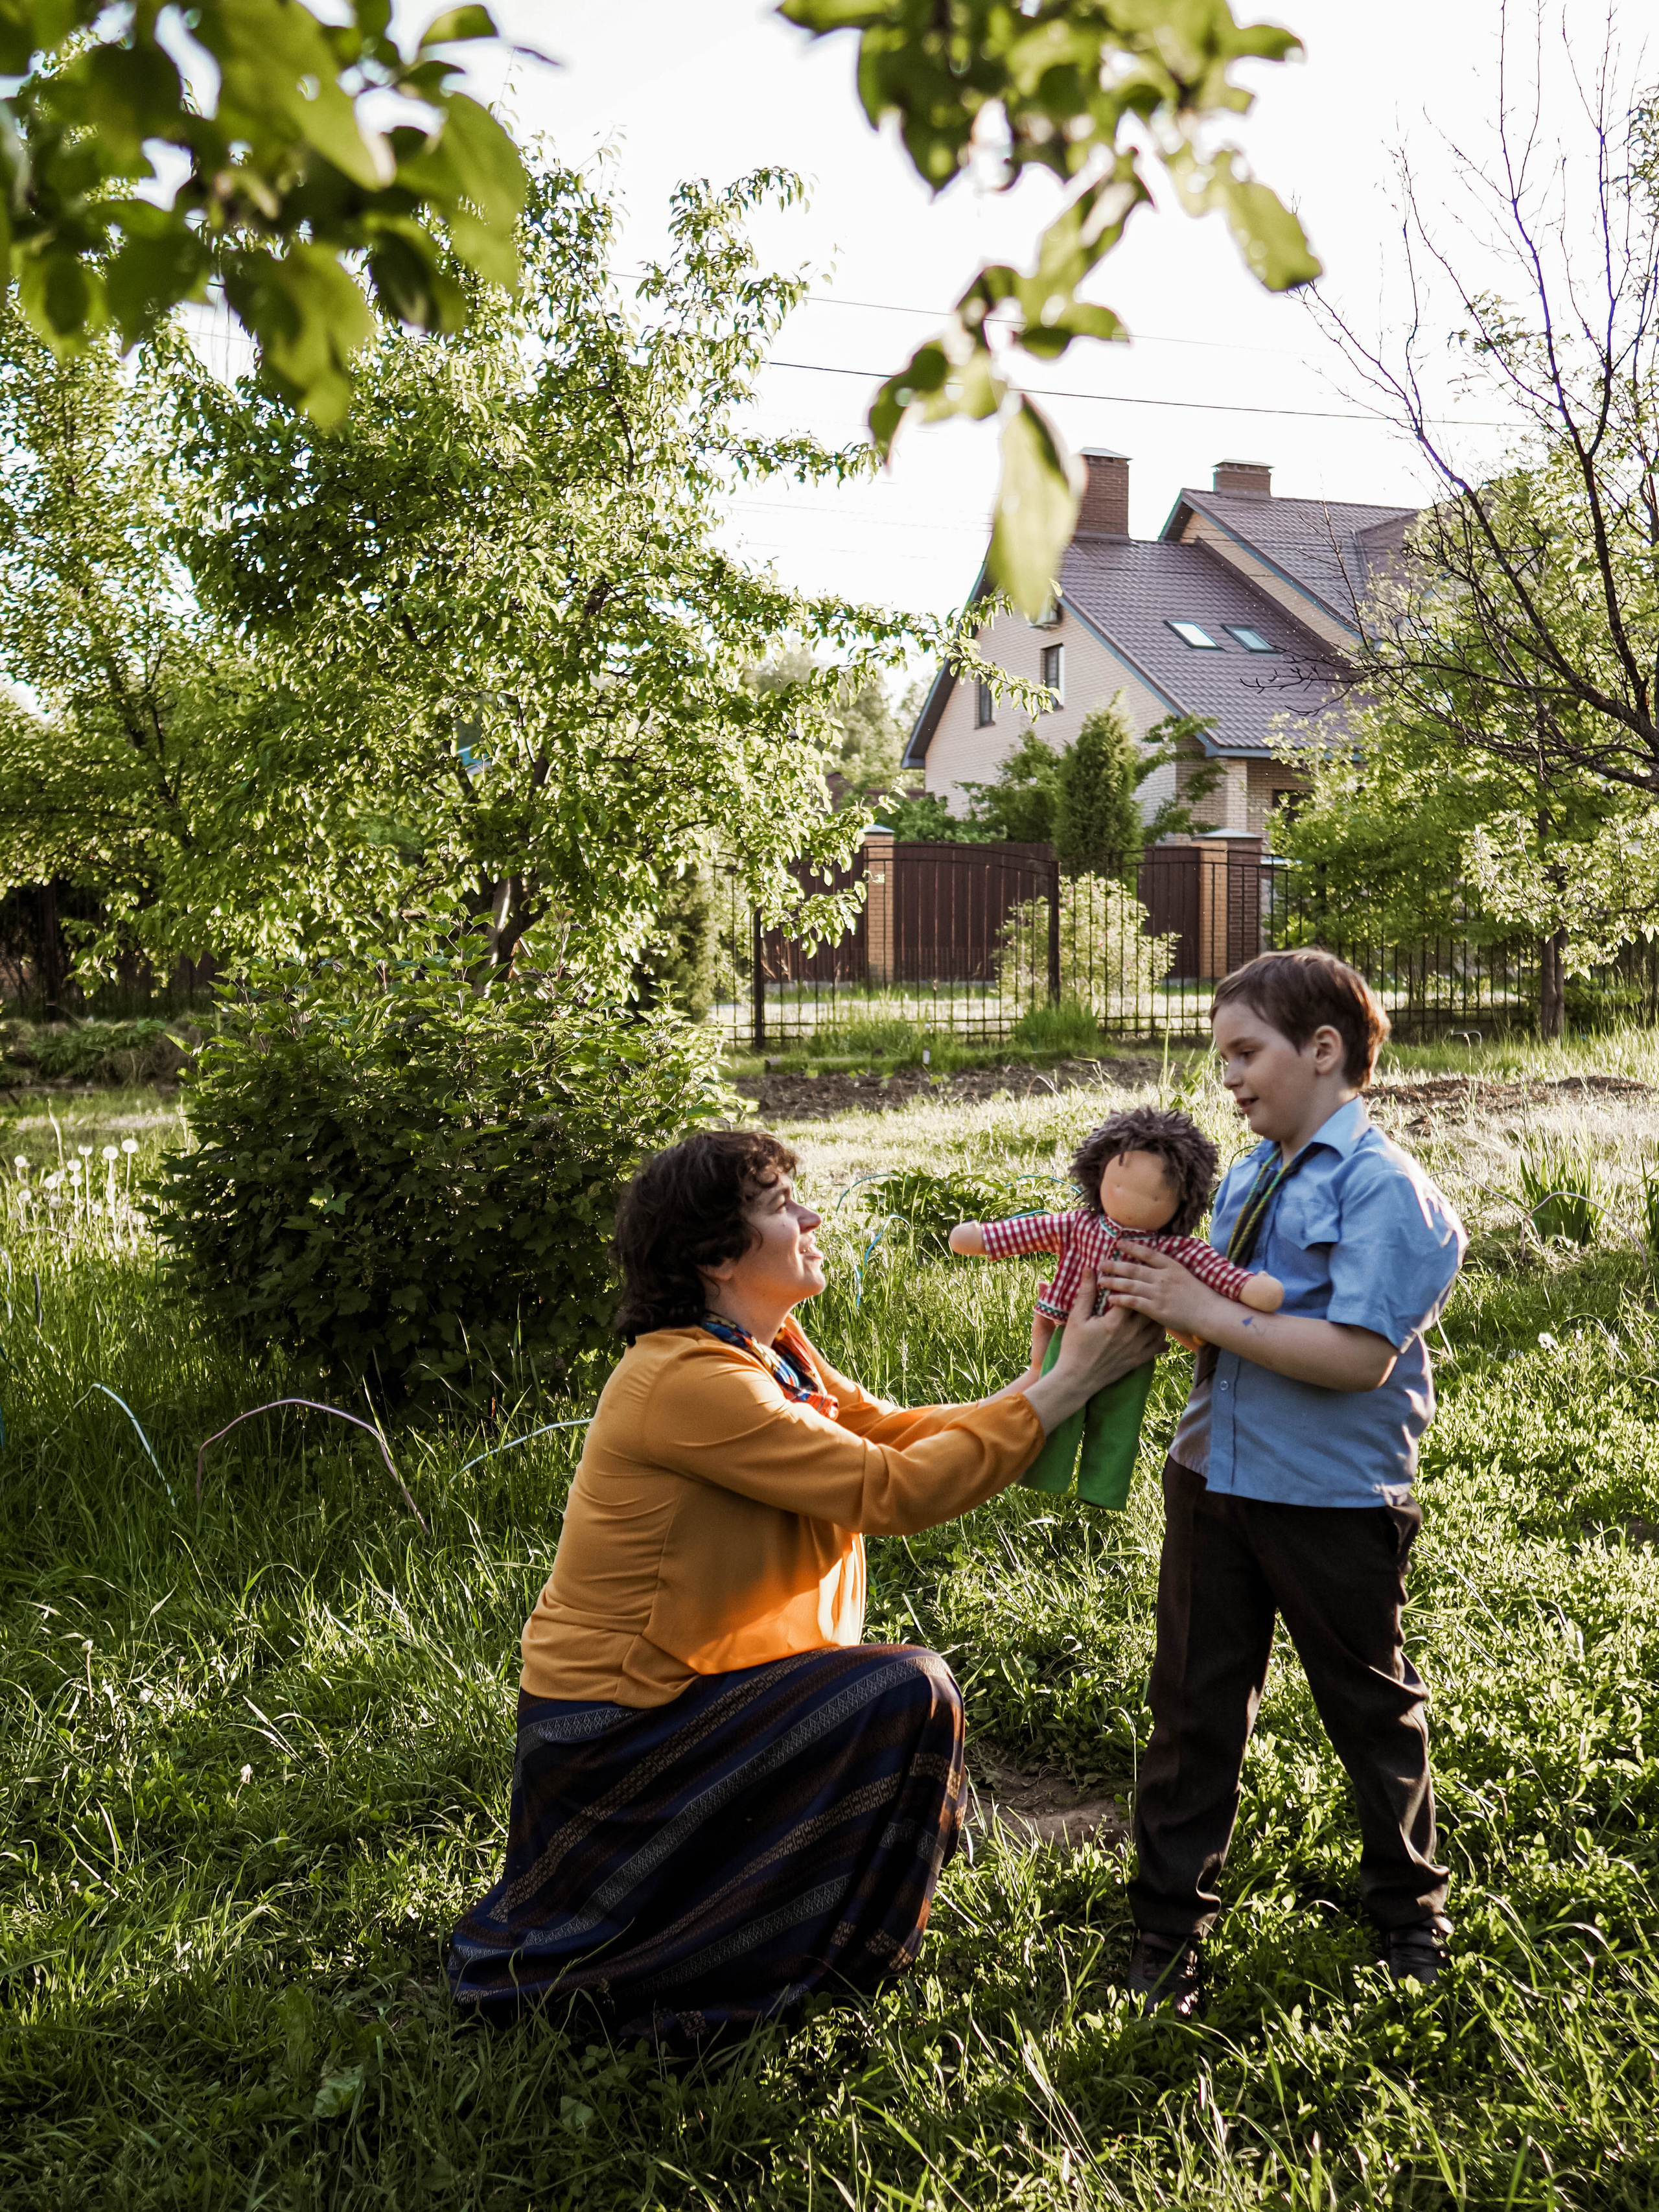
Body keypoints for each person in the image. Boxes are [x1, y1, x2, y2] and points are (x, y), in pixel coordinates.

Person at [447, 1127, 1163, 2045]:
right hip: (620, 1729)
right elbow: (890, 1490)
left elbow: (888, 1434)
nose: (813, 1215)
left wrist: (1042, 1380)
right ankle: (802, 1950)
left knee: (878, 1687)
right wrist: (1057, 1395)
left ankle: (879, 1872)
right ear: (715, 1256)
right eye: (783, 1204)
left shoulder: (766, 1345)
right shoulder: (685, 1380)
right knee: (904, 1686)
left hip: (689, 1695)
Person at [1102, 949, 1467, 2016]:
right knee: (1192, 1706)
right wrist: (1150, 1304)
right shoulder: (1257, 1172)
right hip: (1212, 1473)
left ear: (1325, 1049)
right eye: (1221, 1057)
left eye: (1245, 1052)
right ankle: (1166, 1935)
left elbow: (1358, 1355)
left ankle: (1410, 1916)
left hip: (1332, 1497)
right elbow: (1225, 1312)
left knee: (1368, 1706)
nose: (1229, 1079)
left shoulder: (1384, 1186)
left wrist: (1207, 1311)